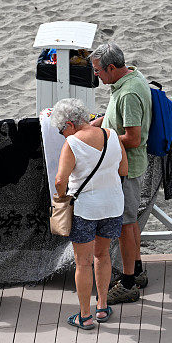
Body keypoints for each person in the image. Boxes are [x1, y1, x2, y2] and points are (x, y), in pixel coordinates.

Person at [52, 98, 128, 329]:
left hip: (85, 209)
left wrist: (61, 197)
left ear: (69, 125)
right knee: (102, 255)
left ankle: (85, 316)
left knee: (83, 263)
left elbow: (60, 180)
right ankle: (102, 306)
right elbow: (123, 169)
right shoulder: (112, 135)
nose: (61, 135)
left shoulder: (72, 144)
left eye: (60, 130)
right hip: (113, 205)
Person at [89, 42, 153, 304]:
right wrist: (94, 124)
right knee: (132, 221)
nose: (96, 75)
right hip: (129, 166)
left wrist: (100, 137)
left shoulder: (128, 94)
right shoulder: (133, 78)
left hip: (128, 167)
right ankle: (136, 271)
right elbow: (117, 120)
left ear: (112, 68)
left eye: (97, 71)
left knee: (126, 225)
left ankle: (127, 284)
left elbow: (134, 138)